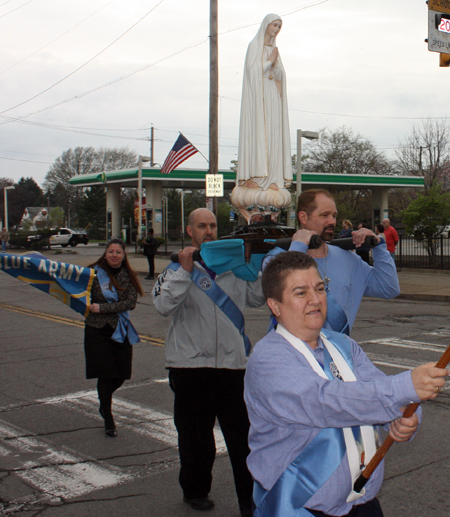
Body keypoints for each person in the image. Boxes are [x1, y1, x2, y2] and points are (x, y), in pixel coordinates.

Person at [245, 251, 449, 517]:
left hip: (362, 503)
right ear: (275, 306)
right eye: (300, 292)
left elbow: (381, 389)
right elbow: (325, 402)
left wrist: (404, 418)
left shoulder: (343, 344)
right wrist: (405, 387)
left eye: (320, 288)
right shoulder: (268, 359)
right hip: (297, 506)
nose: (316, 299)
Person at [152, 208, 264, 516]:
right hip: (190, 368)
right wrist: (184, 272)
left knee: (244, 441)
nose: (209, 230)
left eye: (213, 225)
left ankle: (250, 501)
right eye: (202, 226)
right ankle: (195, 490)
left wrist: (255, 263)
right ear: (190, 231)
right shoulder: (176, 269)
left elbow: (258, 297)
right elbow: (162, 304)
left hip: (233, 368)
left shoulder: (233, 268)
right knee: (196, 441)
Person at [264, 189, 399, 335]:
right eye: (325, 215)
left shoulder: (349, 259)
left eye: (334, 216)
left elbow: (389, 288)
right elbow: (283, 294)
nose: (332, 222)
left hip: (336, 354)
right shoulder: (276, 259)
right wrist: (298, 248)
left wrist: (378, 246)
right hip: (290, 353)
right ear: (303, 217)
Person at [231, 13, 292, 221]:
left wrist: (275, 65)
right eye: (274, 25)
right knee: (260, 137)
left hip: (273, 98)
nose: (276, 29)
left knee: (274, 138)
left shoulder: (274, 50)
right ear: (266, 25)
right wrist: (268, 62)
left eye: (279, 26)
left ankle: (273, 178)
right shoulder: (254, 46)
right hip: (259, 102)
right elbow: (251, 72)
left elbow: (281, 76)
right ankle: (256, 179)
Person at [85, 238, 144, 437]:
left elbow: (130, 303)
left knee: (121, 374)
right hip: (97, 329)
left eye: (118, 252)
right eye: (111, 251)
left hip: (120, 328)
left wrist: (103, 307)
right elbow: (80, 293)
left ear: (123, 255)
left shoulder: (128, 276)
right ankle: (108, 418)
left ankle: (103, 401)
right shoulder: (93, 272)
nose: (114, 255)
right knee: (105, 373)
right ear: (106, 253)